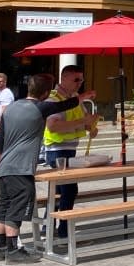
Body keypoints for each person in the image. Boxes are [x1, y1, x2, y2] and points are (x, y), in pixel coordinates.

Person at [0, 73, 96, 263]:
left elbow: (0, 140)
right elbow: (66, 104)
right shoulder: (41, 107)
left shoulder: (11, 108)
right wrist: (83, 97)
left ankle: (1, 248)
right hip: (22, 167)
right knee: (16, 208)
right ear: (46, 93)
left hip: (6, 165)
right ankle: (13, 251)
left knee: (4, 205)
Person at [42, 66, 100, 236]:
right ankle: (63, 231)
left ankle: (49, 227)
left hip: (69, 151)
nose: (80, 83)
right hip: (56, 150)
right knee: (69, 190)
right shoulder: (53, 99)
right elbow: (53, 126)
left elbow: (85, 122)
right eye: (76, 80)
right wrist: (83, 121)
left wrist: (91, 126)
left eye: (82, 80)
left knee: (59, 191)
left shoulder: (75, 98)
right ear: (64, 78)